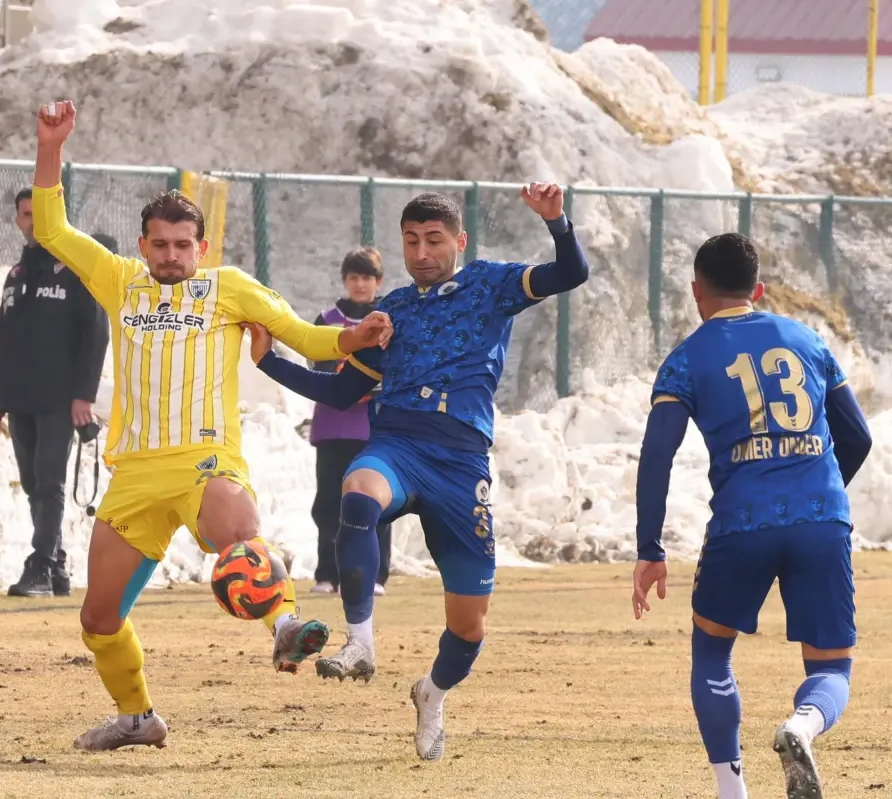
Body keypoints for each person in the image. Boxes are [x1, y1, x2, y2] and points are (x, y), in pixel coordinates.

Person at [29, 100, 393, 753]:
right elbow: (52, 229)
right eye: (160, 245)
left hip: (206, 461)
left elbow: (304, 334)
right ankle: (138, 717)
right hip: (135, 474)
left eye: (182, 245)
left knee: (236, 527)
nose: (171, 255)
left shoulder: (228, 288)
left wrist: (354, 336)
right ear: (143, 246)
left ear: (202, 246)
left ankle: (285, 622)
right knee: (98, 618)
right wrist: (51, 147)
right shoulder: (118, 281)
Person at [243, 186, 589, 761]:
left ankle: (432, 693)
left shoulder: (490, 284)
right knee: (357, 492)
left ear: (459, 240)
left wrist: (556, 221)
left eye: (433, 240)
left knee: (470, 626)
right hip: (398, 445)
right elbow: (341, 390)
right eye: (410, 240)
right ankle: (361, 643)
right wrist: (267, 360)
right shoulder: (392, 312)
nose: (422, 251)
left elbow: (571, 272)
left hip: (460, 462)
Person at [631, 233, 873, 799]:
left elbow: (656, 456)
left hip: (742, 523)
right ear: (758, 290)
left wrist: (650, 549)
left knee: (712, 652)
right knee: (832, 669)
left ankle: (731, 791)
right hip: (821, 518)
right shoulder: (807, 339)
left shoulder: (687, 358)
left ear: (697, 292)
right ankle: (802, 726)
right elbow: (857, 438)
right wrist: (823, 495)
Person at [0, 188, 112, 598]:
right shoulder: (16, 276)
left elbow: (96, 334)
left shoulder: (77, 268)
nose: (34, 222)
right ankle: (56, 562)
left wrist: (83, 397)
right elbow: (5, 343)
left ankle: (39, 565)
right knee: (32, 482)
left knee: (51, 481)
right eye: (26, 215)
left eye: (41, 214)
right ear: (18, 220)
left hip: (60, 399)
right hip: (20, 396)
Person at [306, 246, 393, 596]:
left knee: (376, 500)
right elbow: (319, 365)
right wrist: (345, 384)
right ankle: (328, 573)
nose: (360, 284)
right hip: (332, 426)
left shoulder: (390, 320)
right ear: (344, 280)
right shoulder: (326, 320)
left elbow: (393, 369)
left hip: (375, 425)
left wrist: (363, 387)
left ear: (379, 281)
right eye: (354, 277)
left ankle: (374, 575)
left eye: (367, 277)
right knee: (329, 502)